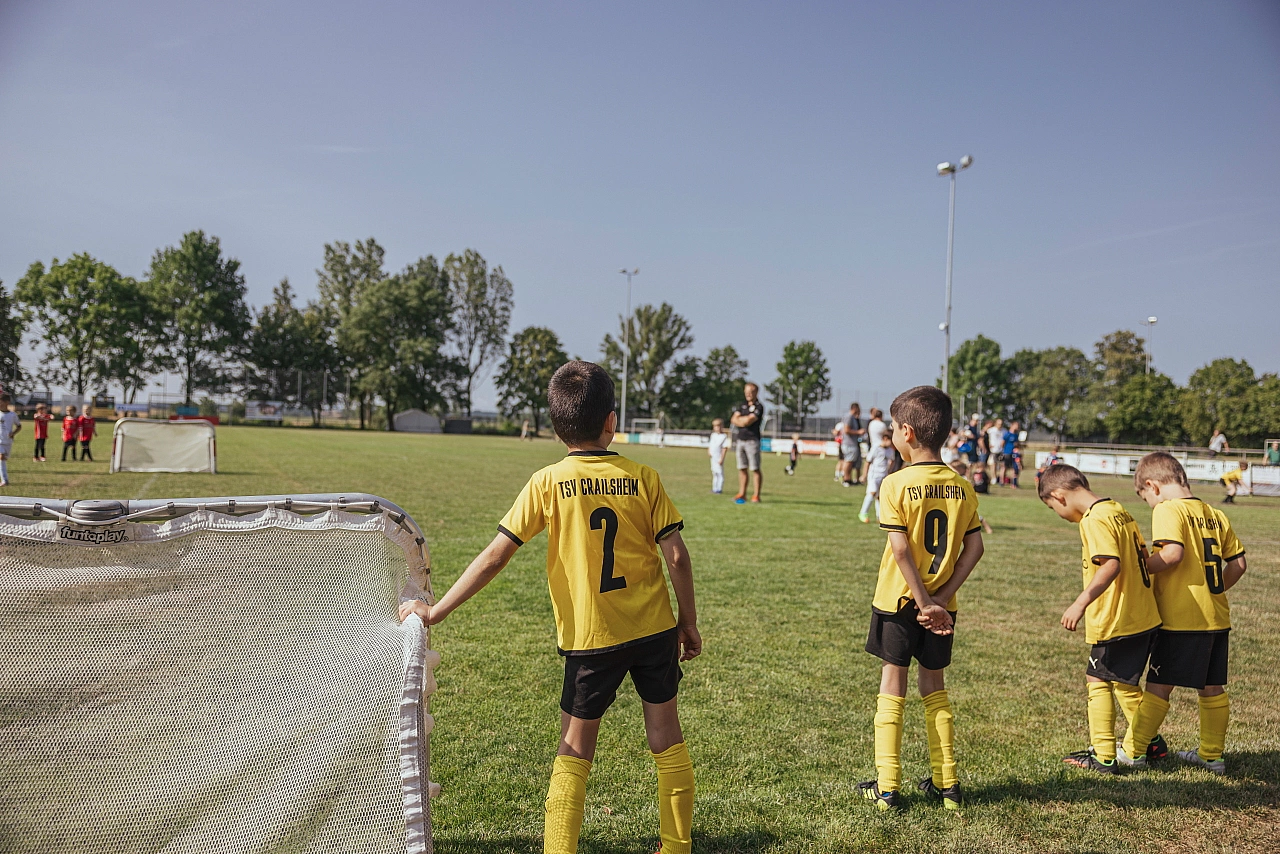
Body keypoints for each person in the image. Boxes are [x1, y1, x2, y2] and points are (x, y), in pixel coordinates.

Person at [398, 361, 701, 854]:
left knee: (575, 749)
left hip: (591, 637)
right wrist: (687, 622)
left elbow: (496, 556)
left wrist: (437, 610)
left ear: (558, 428)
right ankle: (676, 847)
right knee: (667, 738)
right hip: (654, 630)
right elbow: (678, 558)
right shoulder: (644, 477)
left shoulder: (548, 481)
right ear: (612, 421)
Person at [858, 386, 984, 812]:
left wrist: (921, 600)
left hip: (898, 601)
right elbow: (975, 548)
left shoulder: (895, 483)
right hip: (942, 609)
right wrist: (940, 599)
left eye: (894, 428)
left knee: (892, 686)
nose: (892, 435)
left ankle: (888, 786)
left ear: (907, 432)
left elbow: (900, 550)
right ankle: (948, 785)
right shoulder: (963, 487)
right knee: (935, 689)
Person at [1120, 452, 1246, 774]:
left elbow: (1172, 554)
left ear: (1153, 486)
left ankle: (1132, 752)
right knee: (1212, 687)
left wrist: (1138, 567)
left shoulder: (1168, 509)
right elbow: (1239, 564)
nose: (1149, 503)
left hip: (1180, 619)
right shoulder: (1215, 514)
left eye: (1145, 497)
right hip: (1216, 617)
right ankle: (1211, 756)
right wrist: (1213, 591)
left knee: (1159, 686)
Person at [1038, 464, 1163, 774]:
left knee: (1097, 680)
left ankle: (1104, 756)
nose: (1058, 514)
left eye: (1053, 507)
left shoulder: (1094, 519)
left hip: (1117, 617)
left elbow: (1110, 565)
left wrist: (1079, 604)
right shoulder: (1117, 510)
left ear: (1060, 496)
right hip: (1142, 612)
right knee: (1124, 684)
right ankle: (1151, 742)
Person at [730, 382, 765, 504]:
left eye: (750, 392)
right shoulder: (742, 405)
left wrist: (741, 421)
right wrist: (741, 421)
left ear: (756, 392)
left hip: (752, 441)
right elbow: (733, 419)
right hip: (740, 440)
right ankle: (742, 493)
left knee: (755, 468)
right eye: (746, 392)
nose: (748, 394)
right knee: (742, 468)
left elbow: (748, 421)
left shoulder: (759, 407)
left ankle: (756, 495)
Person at [859, 429, 895, 524]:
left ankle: (879, 516)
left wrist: (889, 471)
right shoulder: (876, 448)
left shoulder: (890, 450)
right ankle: (863, 513)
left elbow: (892, 461)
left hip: (883, 475)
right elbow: (868, 462)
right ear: (885, 438)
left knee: (880, 496)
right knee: (872, 492)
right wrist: (864, 475)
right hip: (874, 475)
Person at [948, 460, 993, 534]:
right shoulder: (955, 477)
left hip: (963, 501)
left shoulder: (963, 478)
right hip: (955, 500)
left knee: (971, 516)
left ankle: (987, 527)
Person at [840, 403, 865, 488]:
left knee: (850, 462)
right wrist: (858, 432)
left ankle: (849, 479)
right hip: (849, 443)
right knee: (848, 461)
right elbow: (847, 430)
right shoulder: (849, 417)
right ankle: (846, 479)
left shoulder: (853, 418)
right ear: (855, 408)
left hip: (852, 443)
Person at [0, 395, 20, 487]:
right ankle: (5, 480)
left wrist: (13, 433)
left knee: (4, 459)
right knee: (1, 458)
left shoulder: (12, 415)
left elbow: (19, 426)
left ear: (7, 402)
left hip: (8, 441)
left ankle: (4, 479)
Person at [708, 418, 729, 494]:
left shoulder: (724, 436)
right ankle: (714, 488)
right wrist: (709, 451)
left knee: (719, 473)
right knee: (714, 472)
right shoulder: (713, 435)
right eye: (715, 426)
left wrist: (722, 458)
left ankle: (719, 489)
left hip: (719, 457)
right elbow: (711, 444)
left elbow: (724, 448)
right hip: (713, 457)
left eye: (718, 426)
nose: (717, 428)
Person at [1002, 421, 1021, 487]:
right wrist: (1004, 451)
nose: (1017, 427)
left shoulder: (1016, 435)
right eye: (1016, 425)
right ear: (1012, 425)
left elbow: (1017, 444)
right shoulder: (1007, 434)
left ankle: (1013, 483)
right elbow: (1002, 443)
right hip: (1007, 453)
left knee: (1014, 468)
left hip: (1014, 453)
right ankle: (1002, 481)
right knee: (1005, 467)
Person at [986, 418, 1006, 484]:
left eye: (1001, 424)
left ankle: (1001, 479)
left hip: (1001, 450)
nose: (1000, 425)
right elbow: (983, 435)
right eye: (999, 424)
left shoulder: (1004, 431)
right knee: (993, 465)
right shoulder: (991, 430)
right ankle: (994, 478)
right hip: (994, 450)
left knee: (1002, 465)